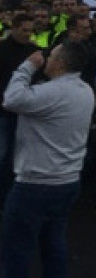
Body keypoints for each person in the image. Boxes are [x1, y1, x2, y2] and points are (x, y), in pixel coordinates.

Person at [1, 43, 94, 278]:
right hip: (68, 181)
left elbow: (11, 99)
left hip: (36, 183)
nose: (46, 59)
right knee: (54, 243)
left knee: (16, 250)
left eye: (50, 56)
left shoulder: (53, 92)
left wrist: (27, 67)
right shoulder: (86, 90)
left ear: (60, 64)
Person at [0, 13, 38, 207]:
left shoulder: (34, 51)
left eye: (30, 31)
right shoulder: (2, 49)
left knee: (20, 157)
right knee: (3, 155)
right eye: (24, 30)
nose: (28, 34)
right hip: (4, 112)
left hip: (25, 113)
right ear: (13, 28)